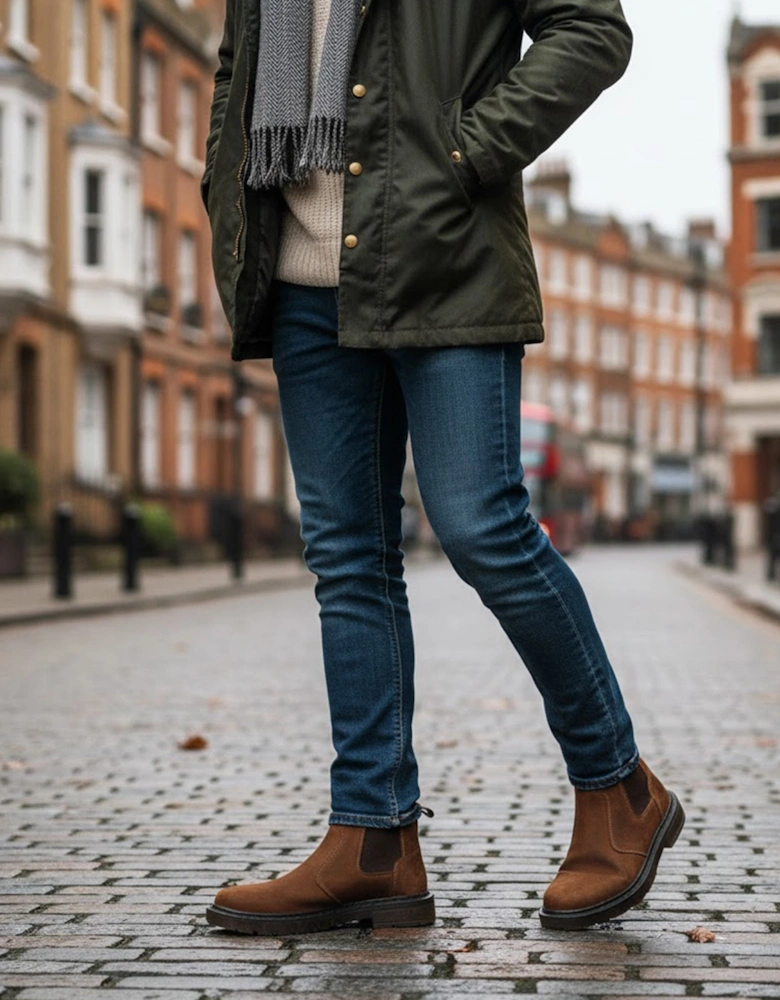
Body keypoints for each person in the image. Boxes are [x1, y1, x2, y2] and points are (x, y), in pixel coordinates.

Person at [202, 0, 685, 936]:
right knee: (349, 560)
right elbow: (240, 60)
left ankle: (618, 790)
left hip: (445, 250)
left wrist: (464, 152)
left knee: (481, 526)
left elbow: (591, 29)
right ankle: (373, 839)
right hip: (300, 277)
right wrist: (226, 185)